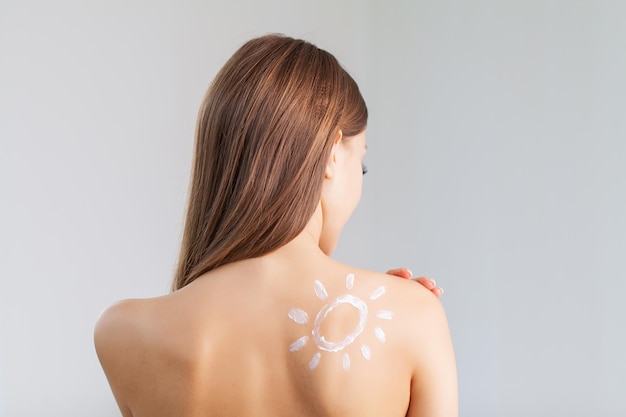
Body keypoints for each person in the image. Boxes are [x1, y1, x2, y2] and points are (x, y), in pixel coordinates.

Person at [94, 34, 457, 417]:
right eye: (361, 164)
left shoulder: (123, 332)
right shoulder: (413, 316)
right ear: (332, 153)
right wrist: (403, 307)